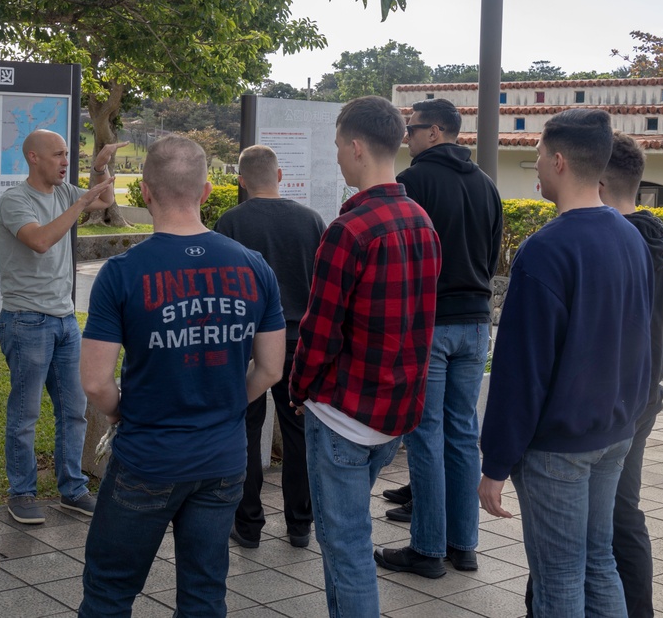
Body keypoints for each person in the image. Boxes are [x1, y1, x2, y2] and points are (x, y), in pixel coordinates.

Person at [77, 135, 286, 617]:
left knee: (109, 591)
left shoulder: (122, 273)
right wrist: (233, 402)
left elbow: (95, 382)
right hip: (223, 460)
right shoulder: (254, 267)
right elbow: (271, 368)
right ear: (207, 191)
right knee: (204, 591)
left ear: (144, 192)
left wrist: (124, 412)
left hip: (148, 458)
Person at [478, 110, 653, 617]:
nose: (534, 164)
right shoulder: (630, 236)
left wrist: (496, 462)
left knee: (560, 577)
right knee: (599, 562)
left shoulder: (546, 249)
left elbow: (520, 371)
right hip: (614, 432)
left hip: (558, 446)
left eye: (536, 155)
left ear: (558, 160)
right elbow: (642, 338)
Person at [289, 96, 441, 618]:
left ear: (356, 148)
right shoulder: (421, 220)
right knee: (345, 543)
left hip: (343, 417)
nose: (335, 157)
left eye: (337, 147)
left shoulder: (348, 230)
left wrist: (297, 388)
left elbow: (319, 330)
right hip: (395, 414)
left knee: (347, 547)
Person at [524, 131, 663, 618]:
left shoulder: (629, 243)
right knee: (596, 539)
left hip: (611, 407)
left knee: (604, 532)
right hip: (629, 400)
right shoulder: (648, 241)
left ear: (599, 181)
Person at [375, 98, 502, 577]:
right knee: (464, 434)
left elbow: (403, 262)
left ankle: (427, 550)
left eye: (411, 128)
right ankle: (463, 545)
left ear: (434, 132)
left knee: (426, 435)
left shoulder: (412, 184)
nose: (406, 136)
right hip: (475, 322)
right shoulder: (487, 185)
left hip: (430, 323)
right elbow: (490, 256)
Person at [0, 129, 126, 525]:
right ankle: (22, 493)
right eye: (57, 155)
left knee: (75, 411)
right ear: (33, 157)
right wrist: (80, 200)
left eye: (68, 154)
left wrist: (99, 166)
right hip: (25, 320)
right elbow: (40, 240)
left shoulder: (68, 192)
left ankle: (72, 489)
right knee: (26, 413)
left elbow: (104, 200)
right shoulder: (15, 200)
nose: (64, 161)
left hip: (65, 320)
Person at [213, 144, 326, 550]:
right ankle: (300, 525)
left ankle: (247, 525)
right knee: (298, 435)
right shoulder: (312, 221)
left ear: (241, 181)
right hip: (297, 342)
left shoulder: (230, 223)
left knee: (246, 431)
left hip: (246, 345)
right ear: (280, 176)